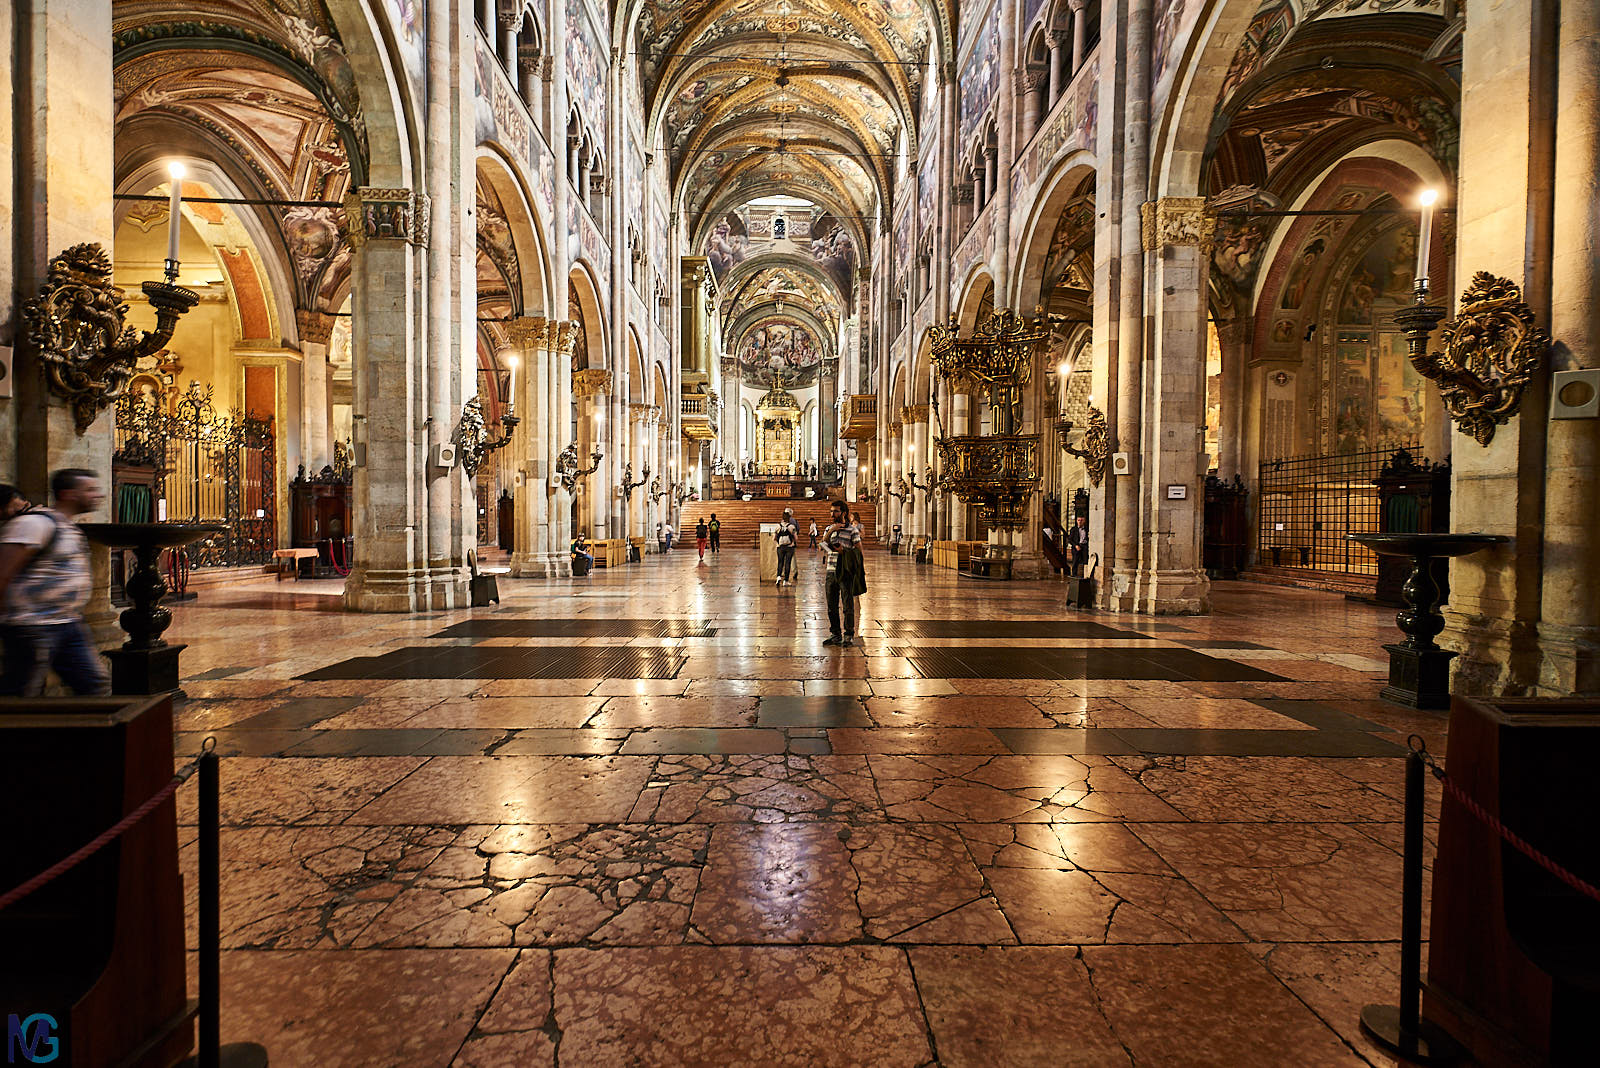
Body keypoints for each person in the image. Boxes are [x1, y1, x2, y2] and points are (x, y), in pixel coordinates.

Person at [0, 469, 109, 696]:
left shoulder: (66, 526)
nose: (97, 495)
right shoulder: (34, 524)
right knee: (22, 691)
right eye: (89, 490)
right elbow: (4, 571)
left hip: (67, 622)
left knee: (94, 686)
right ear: (69, 494)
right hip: (32, 625)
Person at [819, 500, 865, 647]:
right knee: (831, 605)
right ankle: (835, 634)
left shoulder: (852, 530)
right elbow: (823, 544)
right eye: (831, 511)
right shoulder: (829, 528)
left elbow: (859, 551)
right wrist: (832, 531)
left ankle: (849, 634)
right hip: (831, 571)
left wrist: (844, 551)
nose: (833, 514)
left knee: (847, 604)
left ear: (844, 513)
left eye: (836, 511)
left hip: (846, 571)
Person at [774, 507, 799, 587]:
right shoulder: (791, 526)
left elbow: (774, 538)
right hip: (789, 547)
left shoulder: (778, 526)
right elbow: (796, 538)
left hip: (780, 547)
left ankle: (778, 577)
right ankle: (786, 580)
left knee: (780, 562)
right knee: (788, 563)